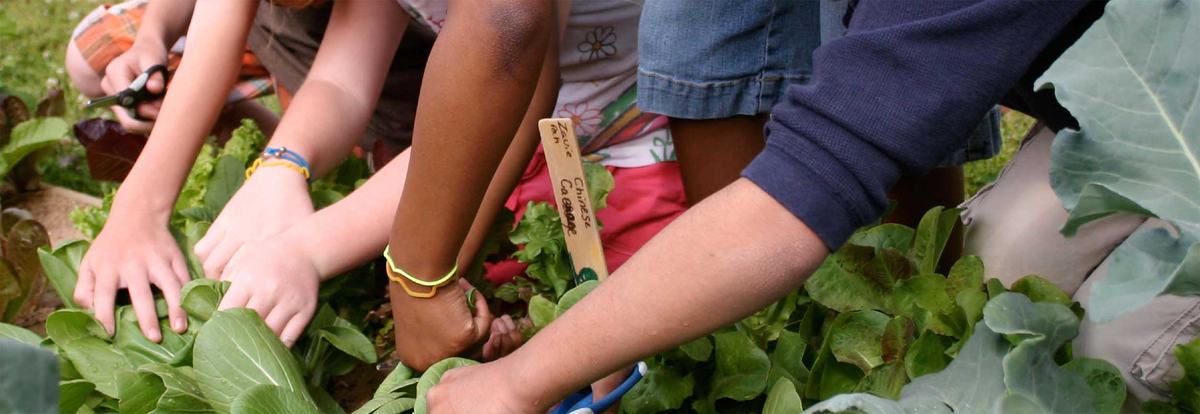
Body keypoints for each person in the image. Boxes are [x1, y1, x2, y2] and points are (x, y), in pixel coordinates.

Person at [424, 0, 1116, 412]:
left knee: (1045, 355)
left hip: (1178, 128)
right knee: (1005, 292)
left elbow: (814, 177)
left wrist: (520, 381)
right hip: (1110, 107)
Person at [213, 0, 688, 368]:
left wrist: (318, 252)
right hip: (512, 154)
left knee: (638, 336)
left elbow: (515, 84)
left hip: (633, 146)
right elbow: (342, 80)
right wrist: (282, 165)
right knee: (515, 317)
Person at [68, 0, 427, 342]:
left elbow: (472, 136)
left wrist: (310, 248)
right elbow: (341, 80)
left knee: (405, 161)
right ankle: (264, 139)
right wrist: (136, 211)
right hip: (302, 35)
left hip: (435, 62)